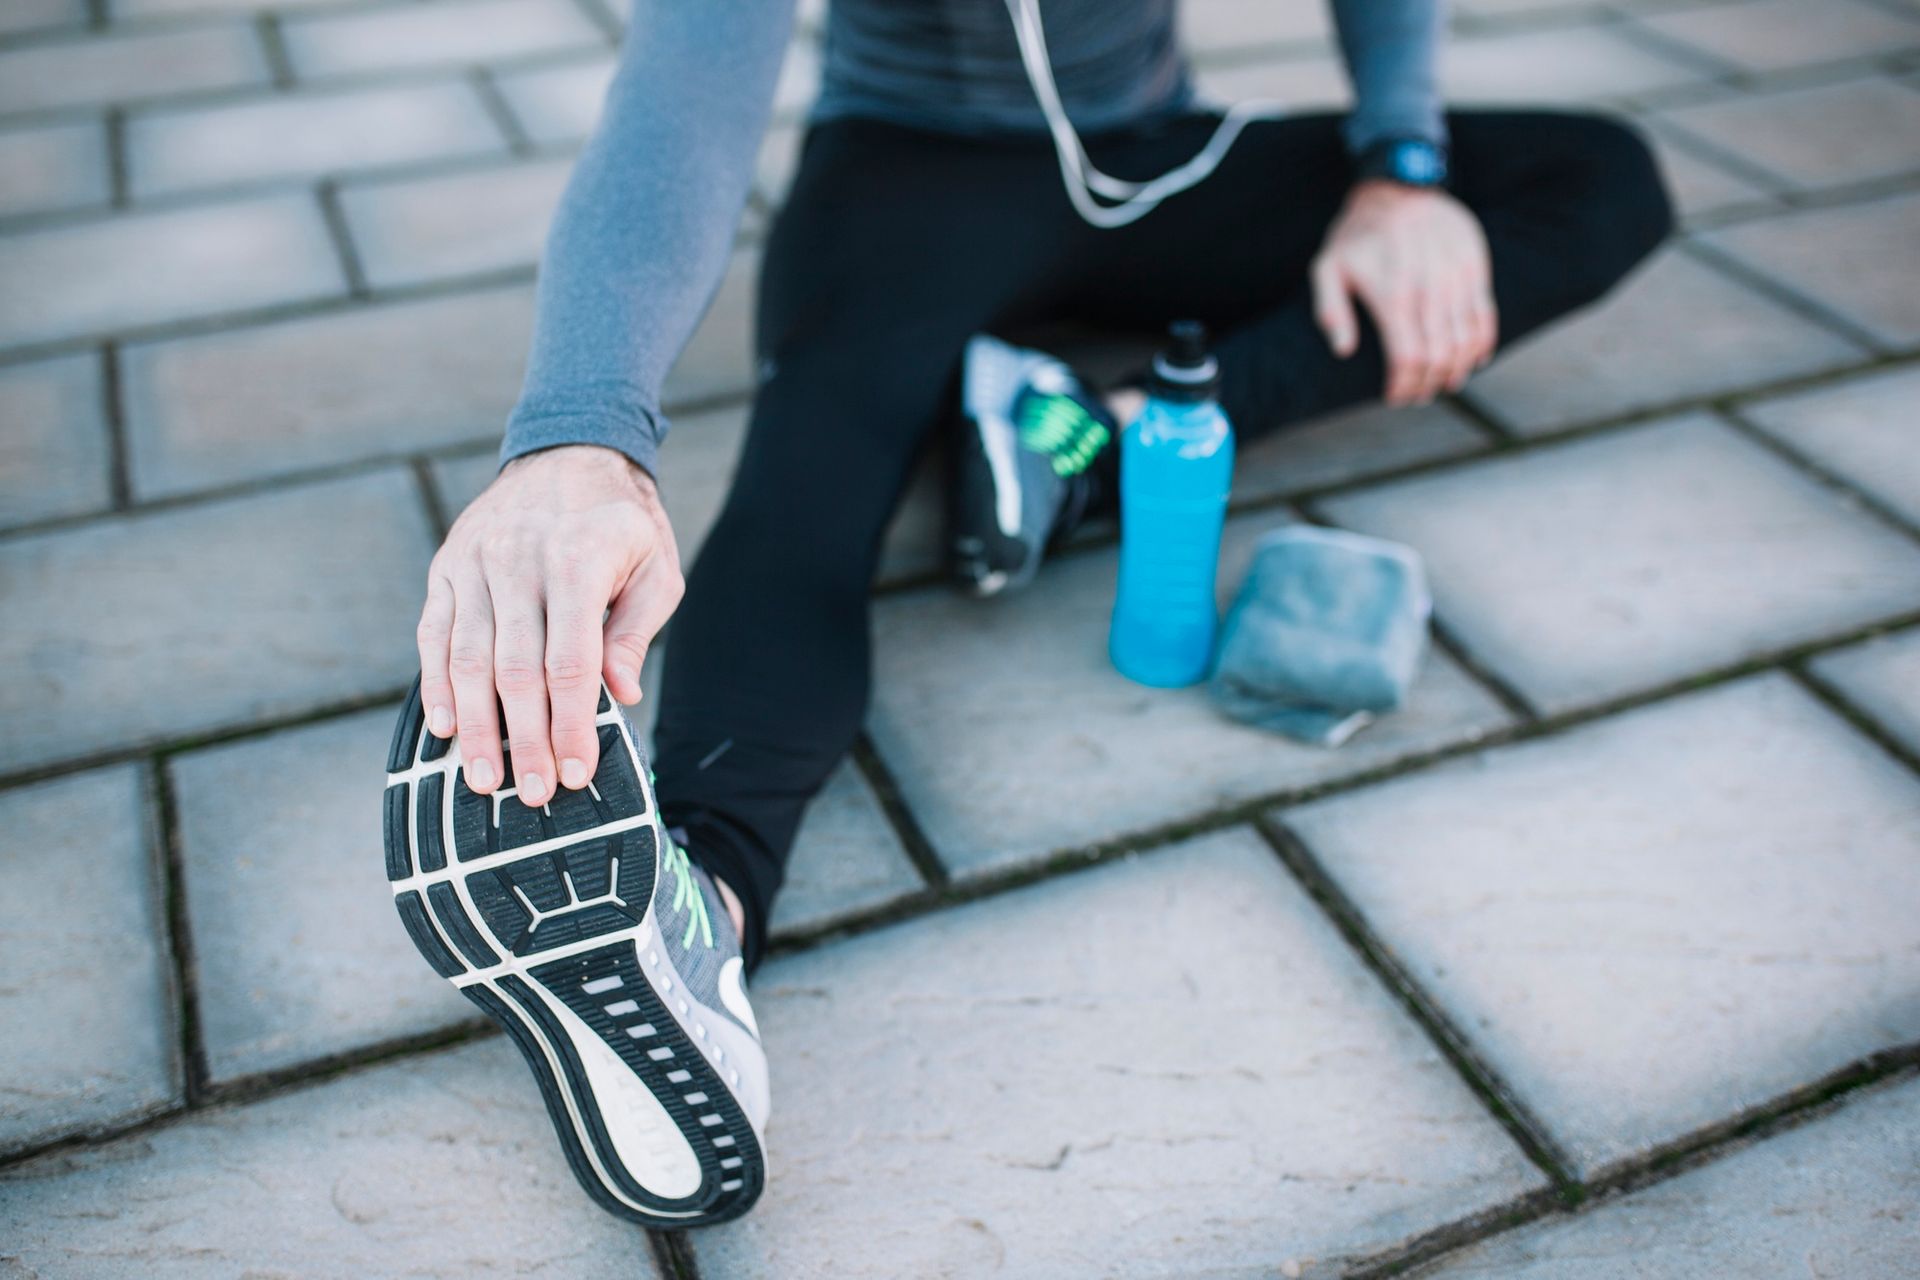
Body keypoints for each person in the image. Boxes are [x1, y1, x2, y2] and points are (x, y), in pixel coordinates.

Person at [383, 0, 1672, 1228]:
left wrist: (1401, 168)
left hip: (1164, 156)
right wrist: (578, 430)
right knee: (807, 480)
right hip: (907, 174)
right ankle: (694, 905)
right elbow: (682, 90)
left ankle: (1091, 442)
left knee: (1602, 177)